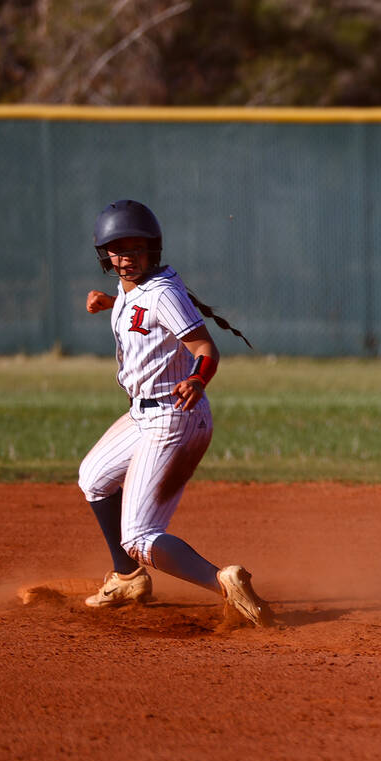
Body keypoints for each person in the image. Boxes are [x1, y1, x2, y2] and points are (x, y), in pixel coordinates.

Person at [78, 199, 272, 628]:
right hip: (145, 415)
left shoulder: (162, 291)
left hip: (173, 417)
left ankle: (224, 583)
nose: (127, 257)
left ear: (153, 249)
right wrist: (112, 303)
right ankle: (128, 577)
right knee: (93, 477)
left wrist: (198, 379)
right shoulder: (137, 291)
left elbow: (205, 348)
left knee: (139, 536)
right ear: (105, 255)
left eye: (135, 248)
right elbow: (142, 313)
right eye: (117, 250)